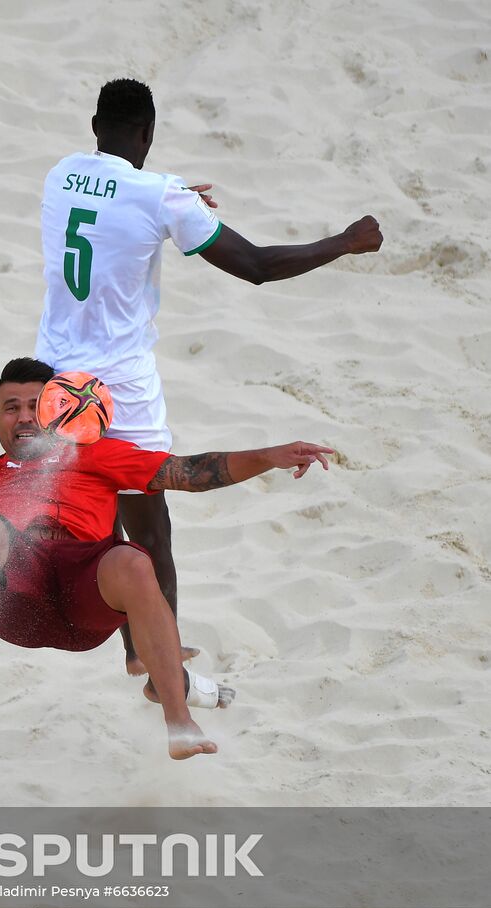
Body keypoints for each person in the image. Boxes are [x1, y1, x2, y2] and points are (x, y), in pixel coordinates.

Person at [0, 358, 334, 761]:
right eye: (11, 408)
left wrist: (269, 456)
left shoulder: (93, 455)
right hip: (14, 599)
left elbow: (187, 473)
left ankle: (180, 722)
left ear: (59, 408)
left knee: (133, 562)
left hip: (85, 596)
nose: (25, 417)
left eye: (37, 405)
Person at [35, 77, 382, 673]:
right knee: (152, 534)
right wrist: (346, 242)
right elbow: (256, 267)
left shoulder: (62, 174)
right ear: (148, 133)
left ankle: (137, 652)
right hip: (121, 392)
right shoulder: (160, 195)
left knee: (98, 521)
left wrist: (172, 206)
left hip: (58, 384)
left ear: (96, 127)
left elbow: (110, 209)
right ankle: (152, 663)